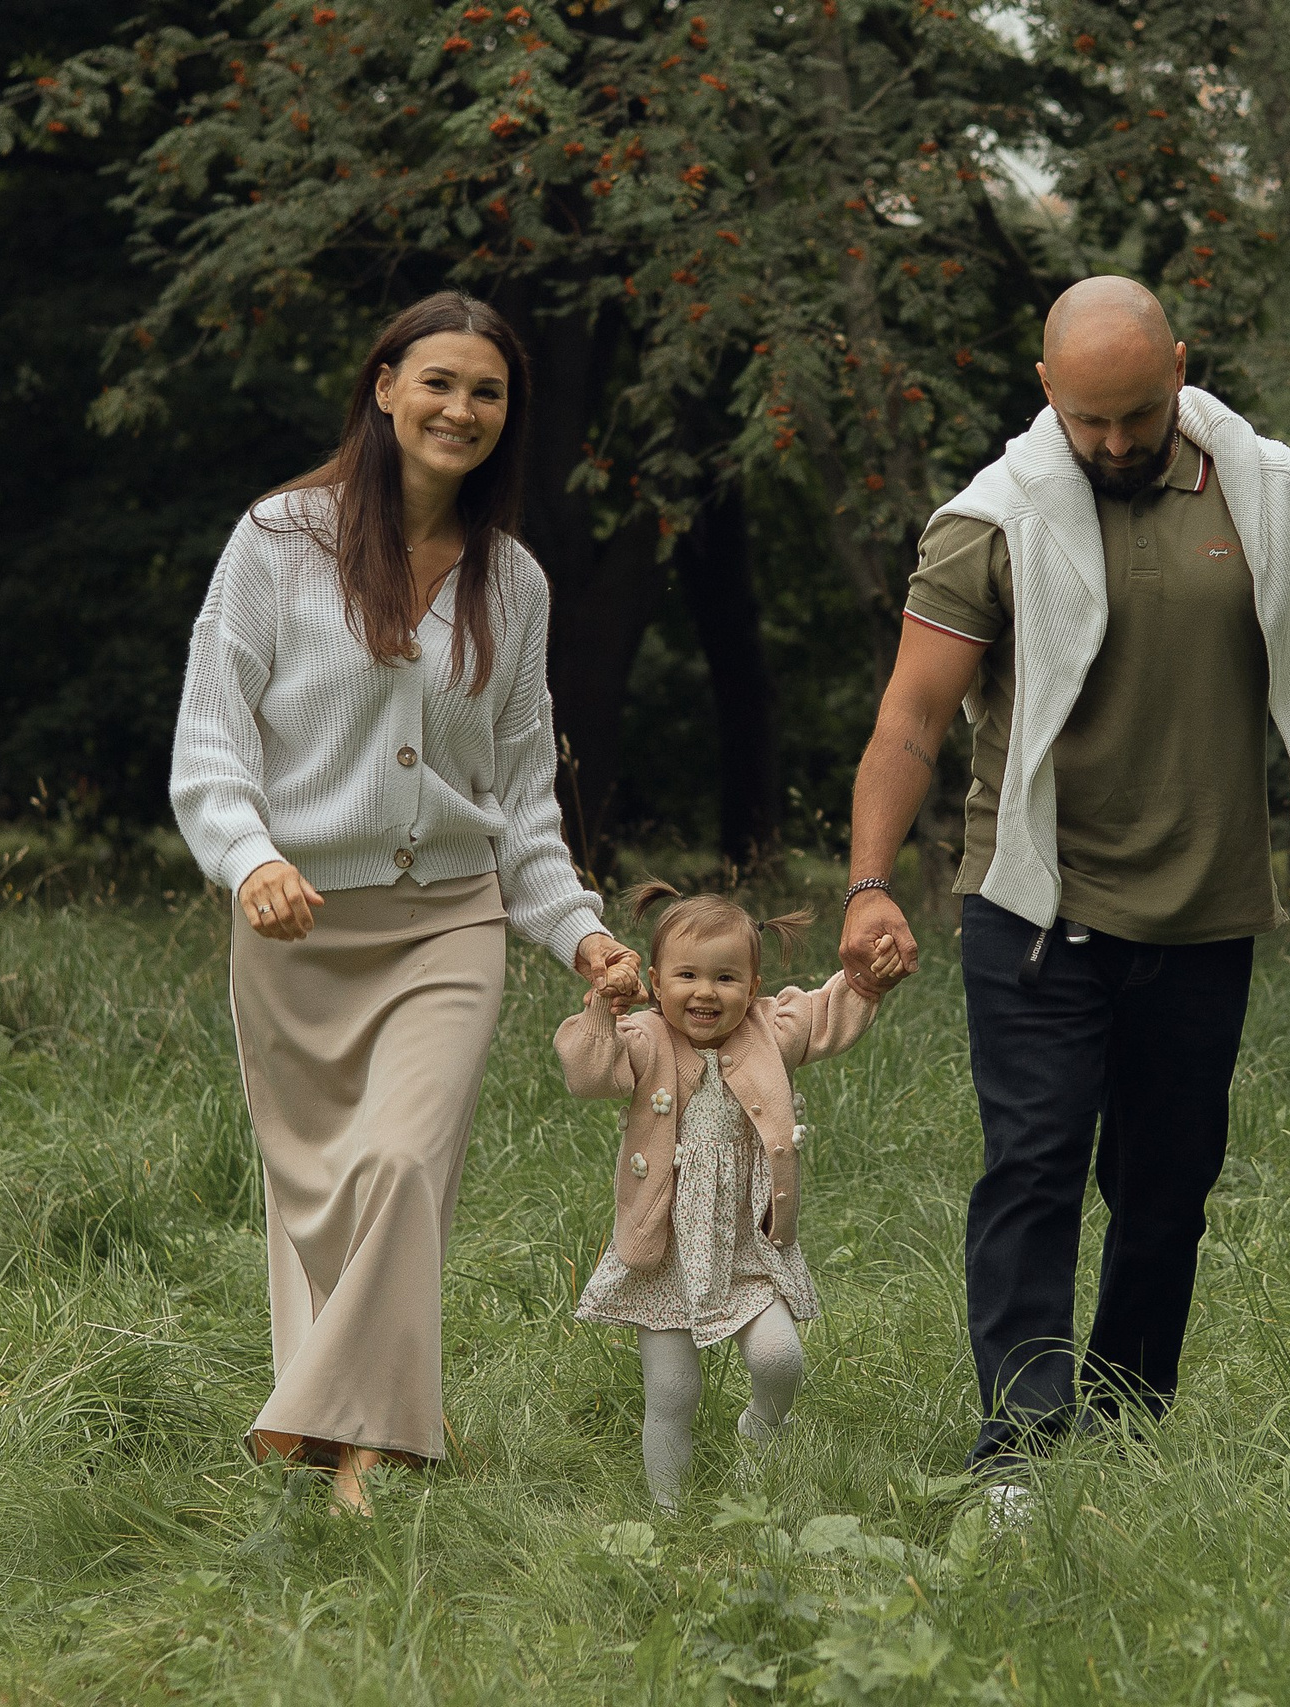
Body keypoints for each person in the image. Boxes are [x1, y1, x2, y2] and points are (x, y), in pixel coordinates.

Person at [838, 276, 1290, 1477]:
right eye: (1089, 420)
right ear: (1046, 392)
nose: (1115, 442)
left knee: (1165, 1189)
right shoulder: (990, 522)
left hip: (1204, 911)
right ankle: (1019, 1452)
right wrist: (868, 882)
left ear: (1180, 368)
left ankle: (1127, 1428)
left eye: (1138, 414)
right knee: (1031, 1171)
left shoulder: (1280, 498)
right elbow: (910, 719)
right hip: (1035, 906)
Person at [169, 291, 646, 1514]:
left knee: (398, 1163)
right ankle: (345, 1424)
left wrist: (580, 931)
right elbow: (210, 749)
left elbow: (524, 802)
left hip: (448, 920)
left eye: (487, 393)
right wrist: (251, 857)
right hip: (298, 927)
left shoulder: (515, 584)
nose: (461, 409)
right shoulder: (278, 541)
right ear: (384, 386)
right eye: (438, 381)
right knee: (318, 1192)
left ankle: (362, 1457)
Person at [558, 887, 910, 1509]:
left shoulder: (768, 1032)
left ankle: (762, 1430)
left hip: (747, 1239)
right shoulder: (643, 1040)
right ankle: (670, 1520)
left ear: (752, 988)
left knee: (780, 1358)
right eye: (686, 975)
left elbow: (828, 1013)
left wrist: (868, 980)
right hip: (663, 1246)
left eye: (725, 977)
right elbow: (588, 1072)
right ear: (657, 984)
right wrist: (603, 1011)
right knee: (673, 1393)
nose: (705, 992)